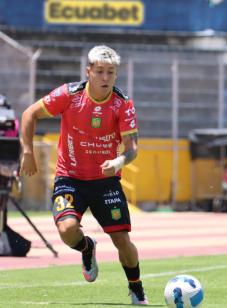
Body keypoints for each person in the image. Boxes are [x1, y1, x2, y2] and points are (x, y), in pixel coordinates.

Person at [19, 45, 148, 305]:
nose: (105, 77)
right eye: (99, 71)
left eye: (110, 72)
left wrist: (119, 160)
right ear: (88, 71)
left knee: (121, 239)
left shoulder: (123, 105)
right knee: (67, 230)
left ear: (116, 74)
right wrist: (28, 152)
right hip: (69, 178)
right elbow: (29, 114)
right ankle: (86, 247)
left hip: (106, 182)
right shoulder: (68, 95)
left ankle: (136, 288)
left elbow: (132, 149)